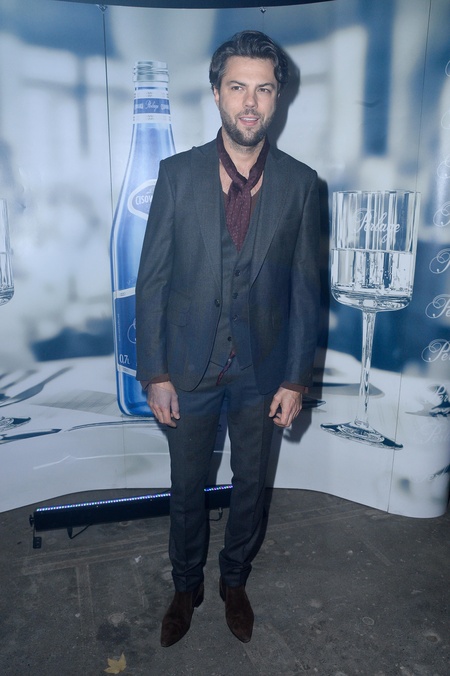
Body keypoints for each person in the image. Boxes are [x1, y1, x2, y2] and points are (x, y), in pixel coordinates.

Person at [135, 30, 320, 647]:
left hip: (262, 371)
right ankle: (185, 585)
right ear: (216, 92)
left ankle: (234, 580)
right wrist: (155, 372)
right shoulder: (177, 175)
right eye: (237, 87)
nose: (250, 102)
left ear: (277, 97)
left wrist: (295, 379)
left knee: (250, 487)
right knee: (186, 488)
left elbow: (306, 291)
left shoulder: (300, 184)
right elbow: (152, 282)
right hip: (187, 366)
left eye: (262, 89)